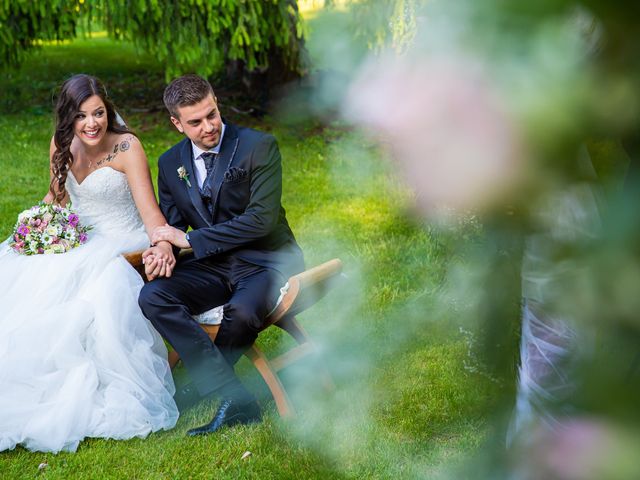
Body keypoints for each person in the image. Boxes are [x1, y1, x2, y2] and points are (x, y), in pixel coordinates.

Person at [0, 74, 179, 453]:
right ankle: (35, 373)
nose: (91, 123)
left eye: (98, 113)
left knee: (86, 291)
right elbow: (57, 196)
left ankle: (83, 377)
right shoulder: (61, 144)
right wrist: (39, 226)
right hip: (80, 238)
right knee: (29, 275)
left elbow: (151, 215)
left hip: (121, 243)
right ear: (68, 119)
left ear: (108, 110)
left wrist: (163, 242)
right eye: (81, 117)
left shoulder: (127, 147)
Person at [138, 74, 304, 436]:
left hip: (267, 260)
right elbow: (173, 221)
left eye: (211, 114)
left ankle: (205, 389)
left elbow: (260, 221)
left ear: (215, 102)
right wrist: (165, 246)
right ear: (176, 123)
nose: (209, 126)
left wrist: (191, 242)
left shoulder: (259, 146)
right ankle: (234, 394)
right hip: (214, 265)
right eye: (195, 122)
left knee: (242, 312)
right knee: (153, 295)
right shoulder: (170, 163)